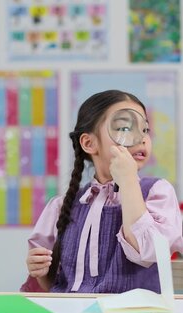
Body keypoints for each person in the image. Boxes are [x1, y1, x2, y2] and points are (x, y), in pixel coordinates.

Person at [20, 89, 183, 293]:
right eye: (124, 128)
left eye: (145, 130)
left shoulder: (157, 193)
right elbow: (52, 286)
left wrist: (129, 181)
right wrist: (41, 271)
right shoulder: (62, 206)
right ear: (89, 143)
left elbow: (148, 252)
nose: (141, 139)